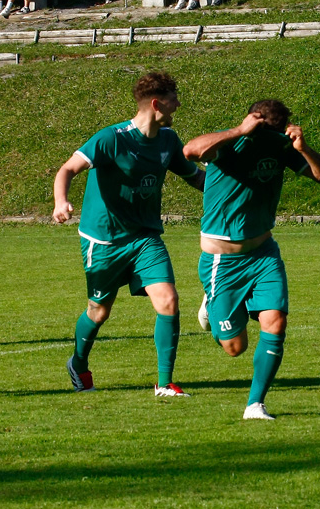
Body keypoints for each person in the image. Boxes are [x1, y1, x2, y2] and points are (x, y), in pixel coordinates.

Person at [52, 71, 204, 397]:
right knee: (99, 311)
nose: (178, 103)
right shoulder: (112, 138)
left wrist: (234, 187)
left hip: (145, 238)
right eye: (173, 97)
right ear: (156, 103)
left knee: (169, 301)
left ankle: (165, 383)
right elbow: (67, 169)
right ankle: (78, 363)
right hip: (104, 240)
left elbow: (196, 178)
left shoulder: (168, 140)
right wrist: (61, 201)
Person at [183, 100, 320, 419]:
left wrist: (304, 148)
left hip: (264, 254)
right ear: (253, 121)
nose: (271, 135)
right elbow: (191, 152)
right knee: (234, 347)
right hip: (221, 262)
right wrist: (240, 130)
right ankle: (212, 303)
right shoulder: (228, 142)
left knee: (276, 323)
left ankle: (255, 404)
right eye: (266, 129)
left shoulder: (282, 146)